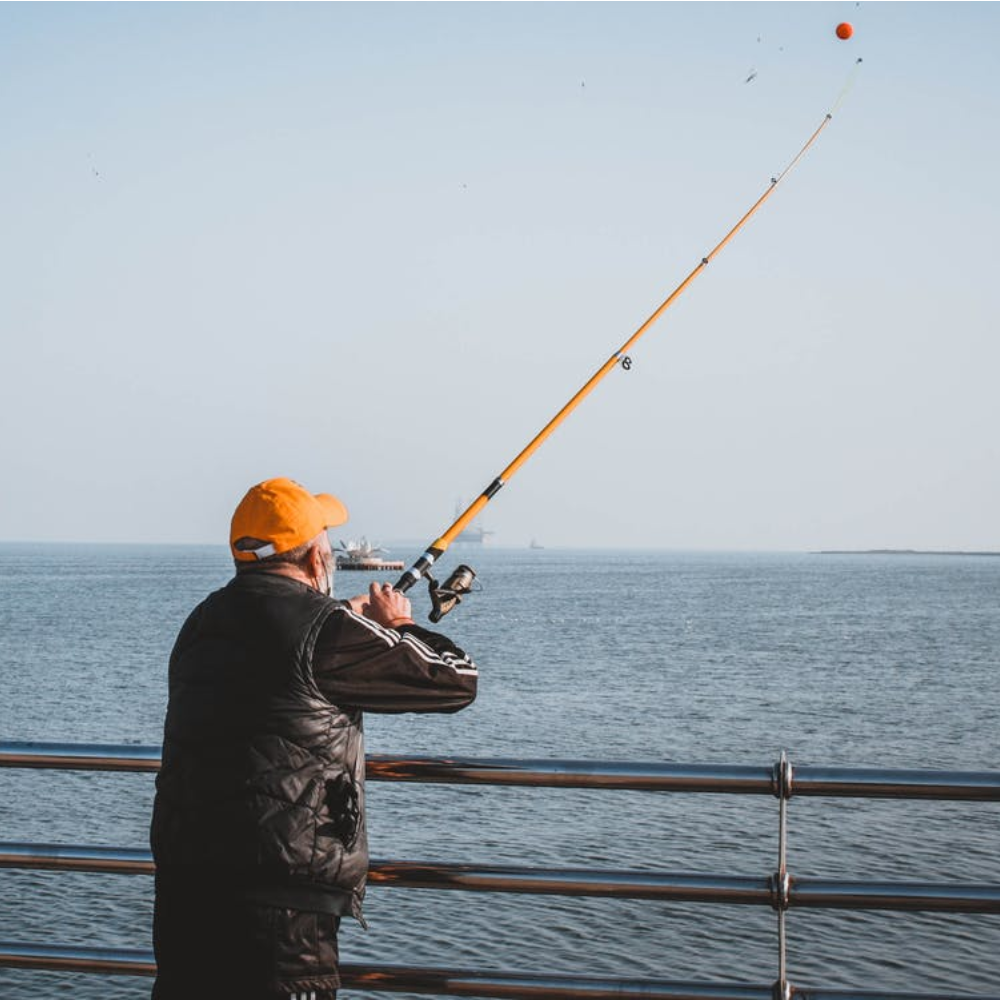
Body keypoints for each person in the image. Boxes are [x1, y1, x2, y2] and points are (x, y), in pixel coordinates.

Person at [150, 477, 477, 1000]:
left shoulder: (202, 621)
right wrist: (401, 626)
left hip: (187, 894)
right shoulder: (326, 630)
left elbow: (275, 662)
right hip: (284, 914)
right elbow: (456, 681)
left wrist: (343, 619)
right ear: (316, 559)